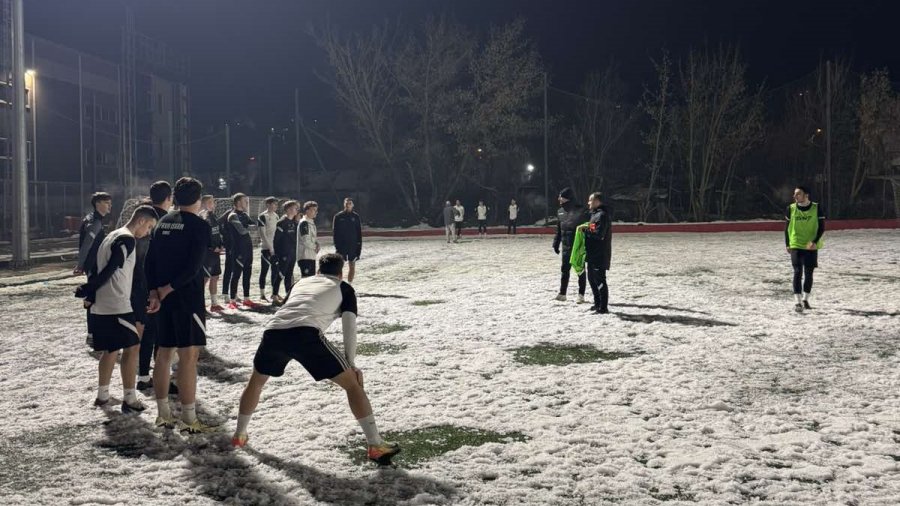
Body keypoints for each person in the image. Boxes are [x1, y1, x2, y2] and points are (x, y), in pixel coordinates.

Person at [231, 253, 401, 465]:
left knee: (255, 383)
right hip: (305, 333)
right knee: (353, 386)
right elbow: (350, 326)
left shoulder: (301, 282)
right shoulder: (344, 287)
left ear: (318, 270)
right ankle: (376, 445)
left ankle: (239, 435)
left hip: (273, 331)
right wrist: (351, 364)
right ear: (341, 273)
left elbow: (287, 308)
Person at [145, 177, 215, 432]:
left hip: (163, 299)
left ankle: (163, 414)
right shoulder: (199, 226)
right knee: (188, 356)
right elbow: (194, 267)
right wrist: (168, 288)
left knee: (163, 354)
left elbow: (149, 261)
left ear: (174, 197)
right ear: (198, 199)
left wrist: (154, 291)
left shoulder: (162, 221)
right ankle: (188, 419)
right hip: (186, 298)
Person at [76, 205, 158, 414]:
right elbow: (112, 268)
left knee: (111, 350)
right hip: (117, 306)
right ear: (140, 220)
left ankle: (103, 395)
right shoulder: (127, 239)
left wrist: (91, 292)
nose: (147, 232)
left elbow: (98, 268)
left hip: (103, 306)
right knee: (132, 349)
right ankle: (129, 399)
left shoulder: (112, 235)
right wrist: (89, 288)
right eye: (148, 227)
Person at [137, 182, 177, 394]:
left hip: (140, 283)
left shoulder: (143, 213)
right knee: (160, 334)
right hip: (157, 285)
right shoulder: (166, 220)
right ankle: (159, 377)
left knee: (149, 332)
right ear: (168, 198)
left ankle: (143, 375)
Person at [76, 192, 112, 347]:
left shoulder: (91, 218)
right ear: (98, 203)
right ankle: (92, 334)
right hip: (94, 266)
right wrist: (80, 265)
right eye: (106, 202)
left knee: (94, 298)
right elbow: (87, 245)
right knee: (92, 298)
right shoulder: (95, 222)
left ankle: (94, 333)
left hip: (93, 265)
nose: (110, 205)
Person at [785, 186, 825, 312]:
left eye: (798, 194)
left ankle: (805, 299)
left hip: (810, 245)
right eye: (794, 194)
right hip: (796, 244)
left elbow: (822, 227)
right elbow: (786, 228)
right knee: (797, 271)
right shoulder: (790, 209)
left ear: (806, 195)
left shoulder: (816, 208)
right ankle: (797, 302)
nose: (795, 196)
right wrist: (787, 243)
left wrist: (814, 242)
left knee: (809, 273)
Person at [577, 193, 612, 314]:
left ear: (597, 201)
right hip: (591, 254)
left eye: (590, 200)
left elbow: (599, 234)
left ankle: (603, 307)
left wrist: (585, 231)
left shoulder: (602, 215)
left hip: (599, 254)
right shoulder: (594, 215)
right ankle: (597, 304)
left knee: (600, 280)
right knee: (591, 279)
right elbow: (592, 230)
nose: (588, 203)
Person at [553, 187, 588, 303]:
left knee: (580, 270)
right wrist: (556, 243)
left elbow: (586, 228)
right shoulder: (560, 211)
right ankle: (562, 293)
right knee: (564, 270)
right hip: (566, 246)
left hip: (577, 246)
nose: (559, 199)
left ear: (567, 198)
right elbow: (559, 229)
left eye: (561, 197)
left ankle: (581, 295)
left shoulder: (580, 210)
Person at [225, 193, 258, 309]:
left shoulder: (244, 214)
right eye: (245, 201)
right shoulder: (232, 216)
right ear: (238, 202)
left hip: (248, 248)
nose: (247, 203)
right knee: (236, 275)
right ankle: (232, 301)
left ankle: (246, 299)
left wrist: (250, 228)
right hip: (238, 250)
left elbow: (255, 226)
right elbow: (242, 231)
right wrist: (250, 228)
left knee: (247, 274)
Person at [272, 200, 300, 303]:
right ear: (288, 209)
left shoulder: (295, 222)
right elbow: (276, 240)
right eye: (294, 208)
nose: (296, 210)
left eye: (297, 208)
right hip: (284, 253)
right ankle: (274, 295)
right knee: (281, 274)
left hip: (292, 253)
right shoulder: (282, 222)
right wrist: (278, 254)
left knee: (289, 274)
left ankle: (288, 296)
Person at [200, 195, 225, 312]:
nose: (213, 204)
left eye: (213, 202)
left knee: (215, 277)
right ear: (204, 204)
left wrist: (220, 245)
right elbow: (203, 236)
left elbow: (216, 233)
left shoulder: (213, 216)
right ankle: (199, 304)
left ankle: (214, 304)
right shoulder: (203, 216)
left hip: (215, 253)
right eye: (210, 202)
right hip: (207, 254)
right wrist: (212, 247)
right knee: (204, 279)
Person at [332, 197, 363, 283]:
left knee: (352, 266)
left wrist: (359, 247)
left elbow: (359, 232)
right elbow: (335, 232)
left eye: (350, 203)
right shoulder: (338, 216)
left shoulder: (356, 216)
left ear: (352, 205)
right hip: (342, 245)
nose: (348, 204)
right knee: (339, 266)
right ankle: (339, 285)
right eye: (346, 203)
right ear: (344, 204)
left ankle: (349, 284)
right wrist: (337, 246)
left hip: (353, 245)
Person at [257, 197, 280, 302]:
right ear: (268, 205)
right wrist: (270, 247)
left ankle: (274, 293)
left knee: (275, 271)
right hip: (266, 248)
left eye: (276, 204)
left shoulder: (276, 216)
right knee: (264, 270)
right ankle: (262, 294)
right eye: (273, 204)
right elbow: (262, 234)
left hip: (275, 248)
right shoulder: (262, 216)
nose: (275, 206)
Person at [297, 201, 320, 278]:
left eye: (316, 210)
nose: (316, 212)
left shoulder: (310, 222)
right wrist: (315, 247)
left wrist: (317, 243)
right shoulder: (304, 223)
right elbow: (306, 241)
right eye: (313, 209)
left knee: (310, 280)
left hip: (310, 255)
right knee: (306, 280)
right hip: (305, 256)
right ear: (307, 210)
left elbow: (312, 238)